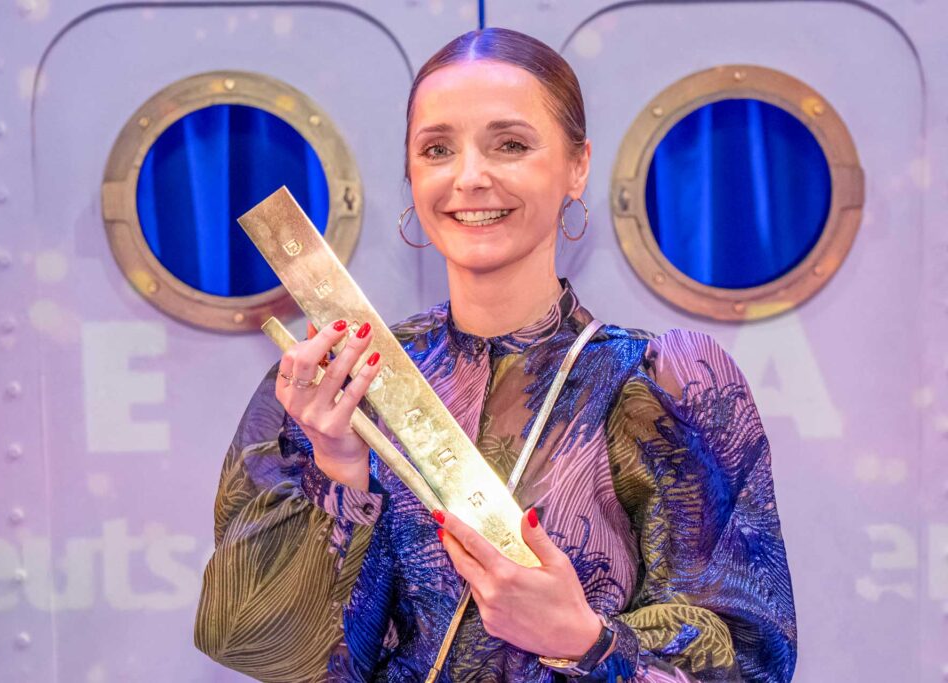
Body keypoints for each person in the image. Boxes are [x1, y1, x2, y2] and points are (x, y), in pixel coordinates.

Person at [194, 28, 796, 683]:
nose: (470, 177)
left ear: (577, 165)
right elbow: (270, 652)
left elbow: (748, 663)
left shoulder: (662, 384)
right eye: (437, 149)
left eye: (510, 144)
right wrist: (337, 473)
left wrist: (584, 641)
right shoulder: (335, 383)